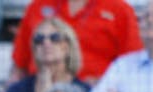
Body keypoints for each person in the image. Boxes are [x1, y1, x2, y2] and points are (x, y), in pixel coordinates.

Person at [10, 0, 142, 84]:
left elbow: (134, 67)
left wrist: (103, 84)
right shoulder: (37, 6)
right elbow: (19, 67)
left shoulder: (120, 10)